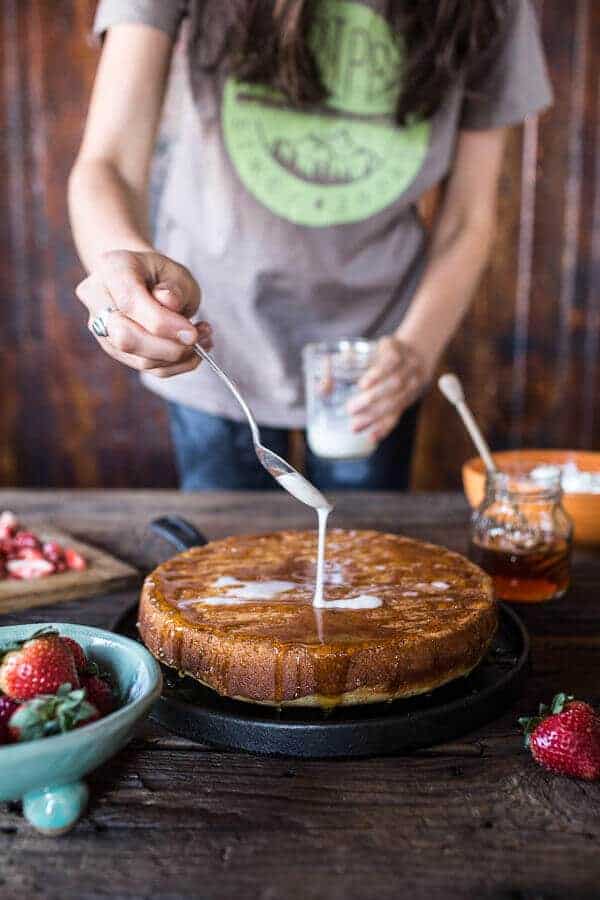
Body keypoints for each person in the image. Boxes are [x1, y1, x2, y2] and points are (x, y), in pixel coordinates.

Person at [69, 0, 552, 491]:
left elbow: (467, 218)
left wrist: (415, 349)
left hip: (378, 353)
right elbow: (107, 163)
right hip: (212, 340)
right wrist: (121, 266)